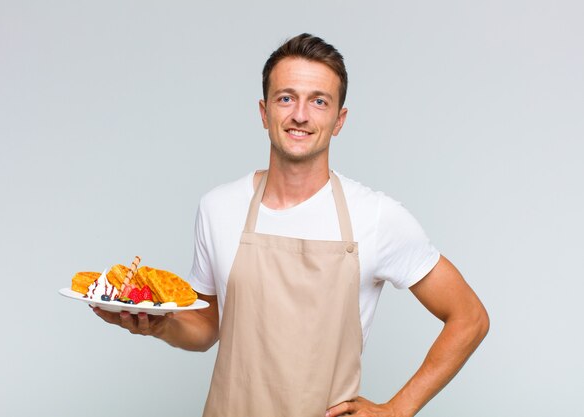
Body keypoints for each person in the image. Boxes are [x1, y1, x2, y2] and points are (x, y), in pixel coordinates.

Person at [94, 33, 489, 417]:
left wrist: (398, 409)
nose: (300, 114)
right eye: (287, 98)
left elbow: (469, 317)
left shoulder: (376, 217)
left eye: (319, 101)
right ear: (265, 112)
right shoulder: (218, 207)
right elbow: (207, 325)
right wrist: (157, 326)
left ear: (339, 120)